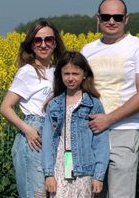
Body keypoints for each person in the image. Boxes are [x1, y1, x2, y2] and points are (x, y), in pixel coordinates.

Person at [81, 0, 139, 198]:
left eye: (117, 17)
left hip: (123, 131)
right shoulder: (88, 50)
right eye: (106, 17)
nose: (111, 21)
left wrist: (108, 119)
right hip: (91, 132)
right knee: (90, 193)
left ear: (126, 19)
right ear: (98, 19)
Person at [0, 20, 66, 198]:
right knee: (36, 194)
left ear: (55, 42)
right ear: (31, 44)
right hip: (34, 137)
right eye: (38, 40)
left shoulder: (59, 71)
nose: (43, 45)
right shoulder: (28, 72)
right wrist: (27, 129)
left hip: (56, 136)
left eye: (48, 40)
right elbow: (5, 107)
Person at [42, 51, 110, 198]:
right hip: (58, 168)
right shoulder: (53, 105)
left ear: (84, 74)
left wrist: (98, 175)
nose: (71, 78)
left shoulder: (93, 104)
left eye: (75, 73)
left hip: (84, 169)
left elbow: (101, 143)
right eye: (66, 74)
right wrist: (48, 174)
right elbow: (47, 141)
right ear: (60, 75)